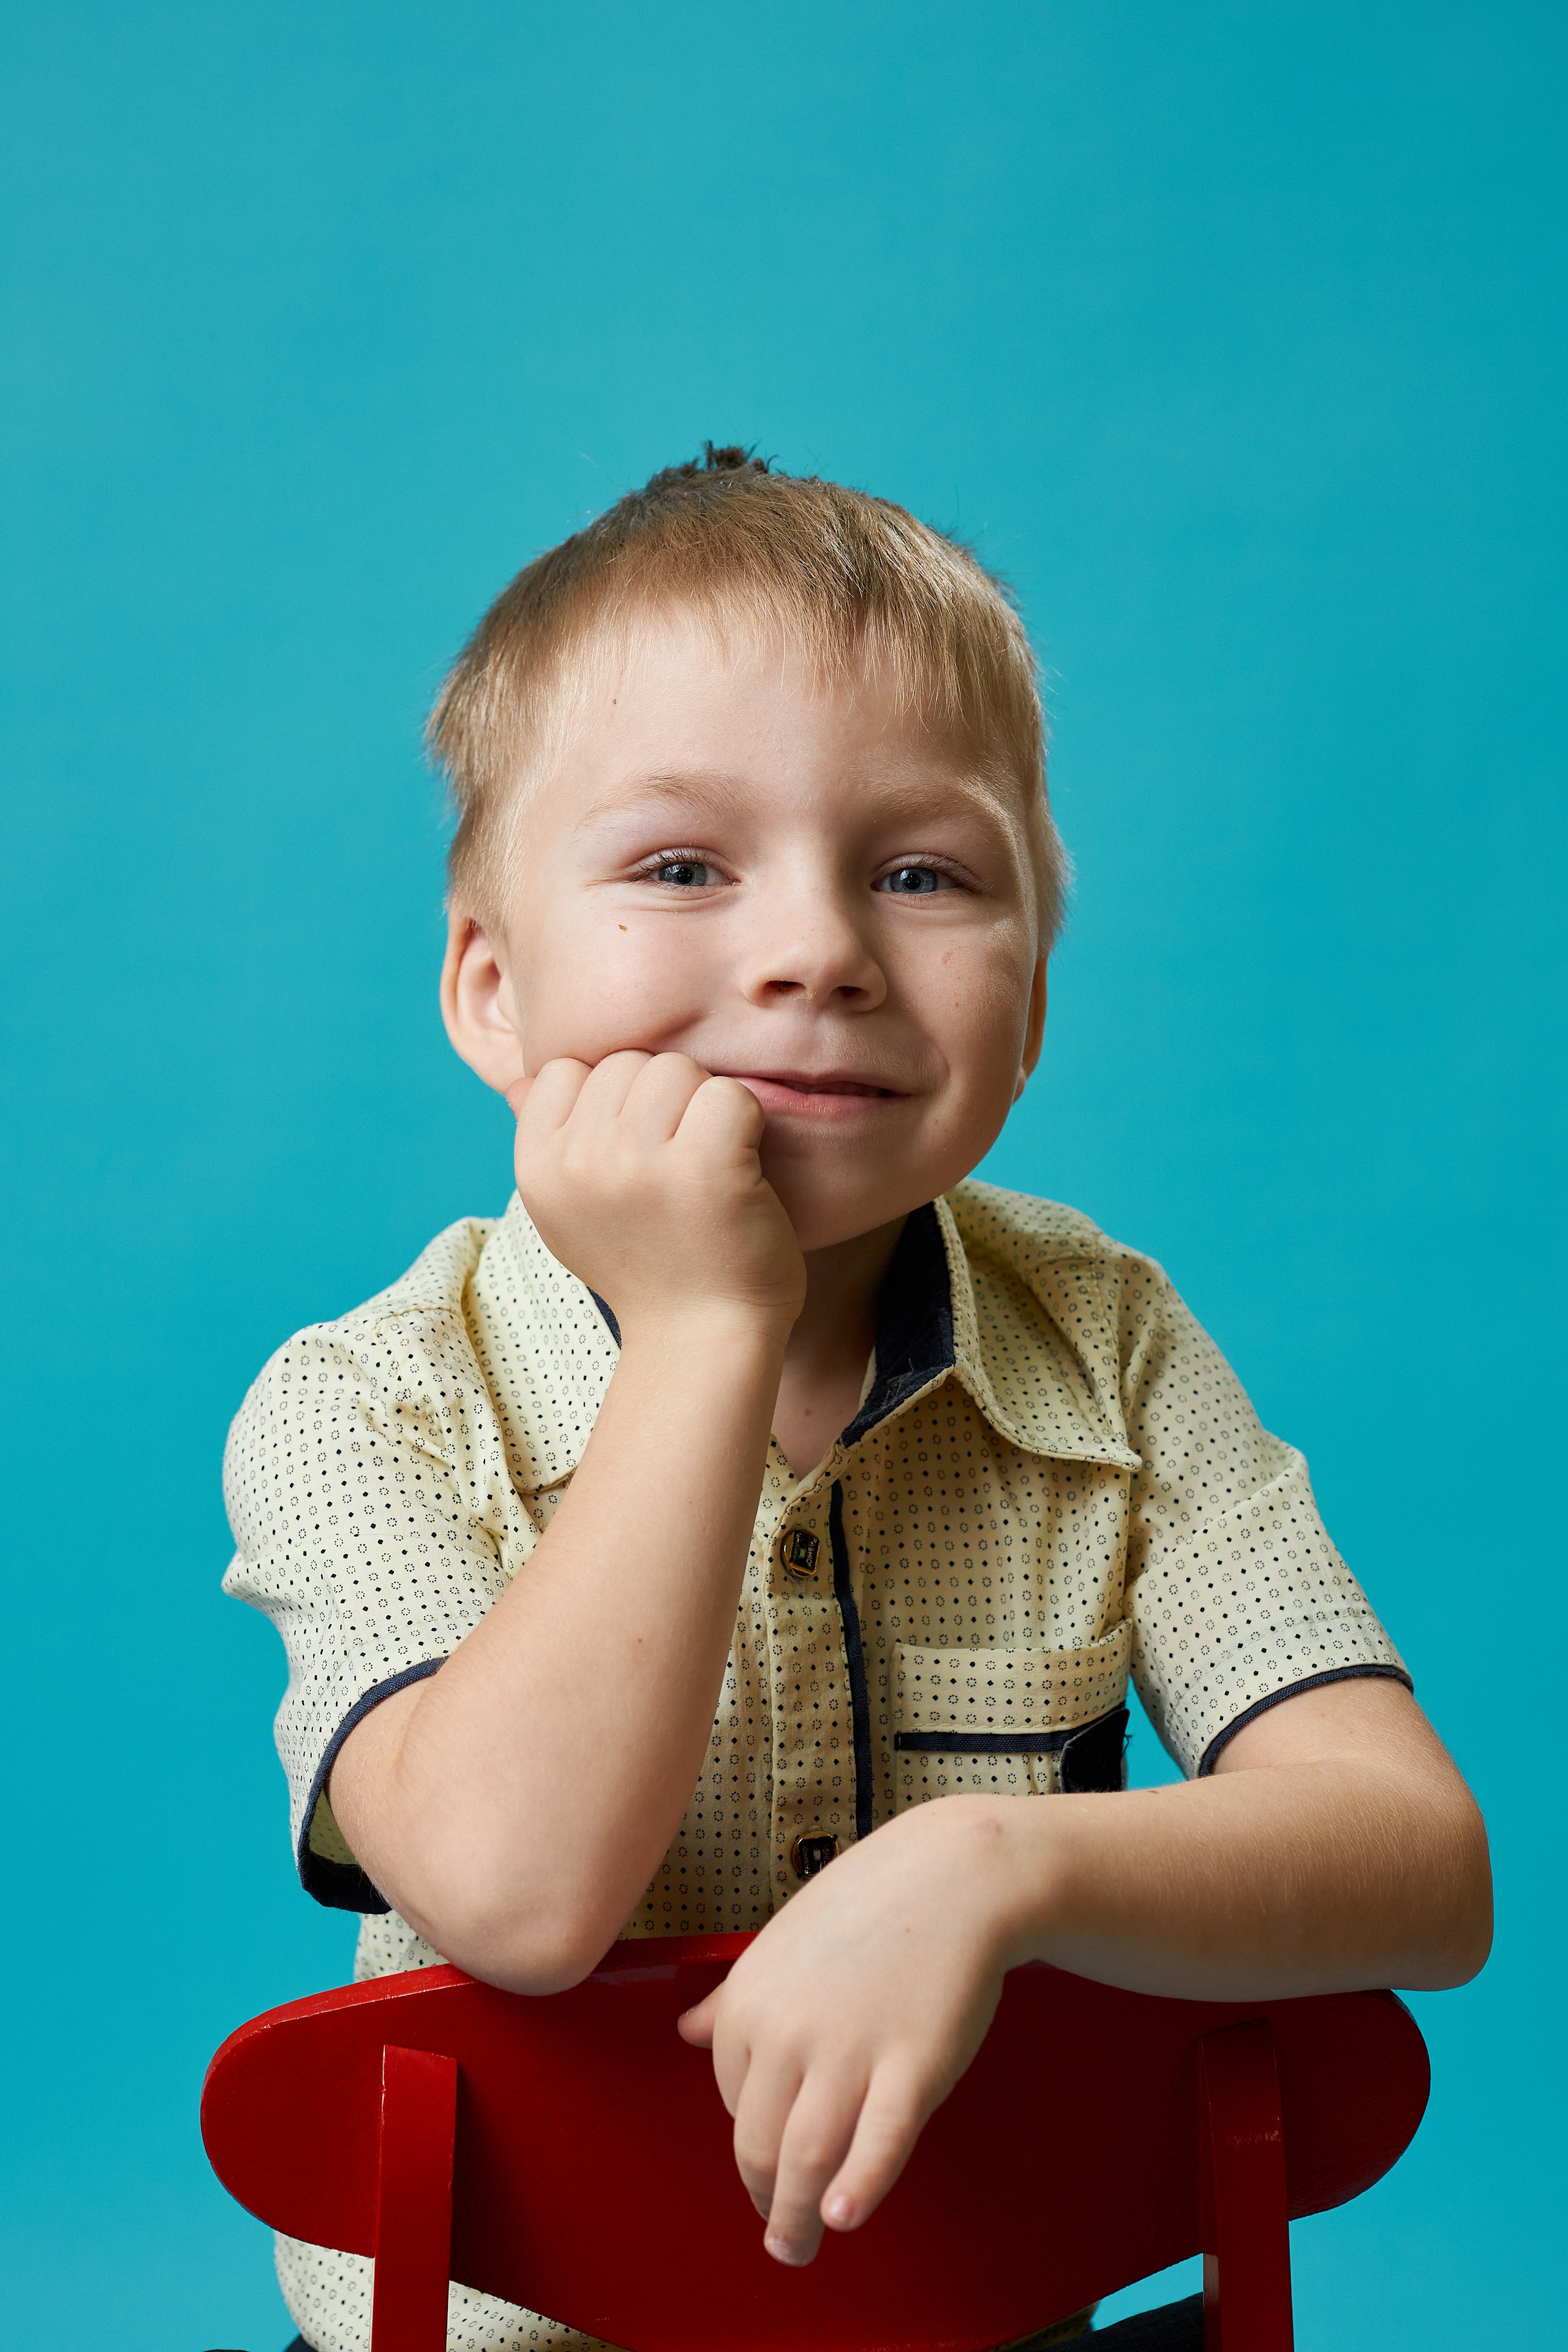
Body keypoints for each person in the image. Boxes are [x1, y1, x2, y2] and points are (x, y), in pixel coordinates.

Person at [224, 447, 1491, 2352]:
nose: (817, 950)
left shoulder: (1114, 1343)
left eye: (922, 872)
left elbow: (1423, 1869)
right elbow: (515, 1896)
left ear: (1036, 991)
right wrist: (706, 1331)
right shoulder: (363, 1405)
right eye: (681, 867)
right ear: (492, 994)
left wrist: (996, 1864)